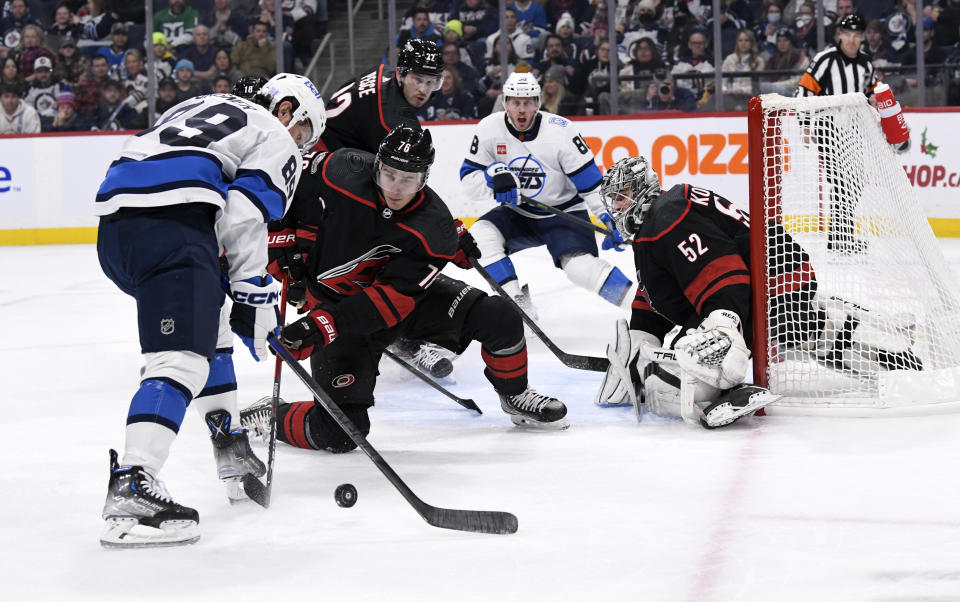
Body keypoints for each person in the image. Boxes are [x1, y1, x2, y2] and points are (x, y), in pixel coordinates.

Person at [94, 73, 326, 548]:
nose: (299, 147)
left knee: (209, 327)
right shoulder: (276, 135)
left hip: (118, 226)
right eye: (304, 134)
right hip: (172, 223)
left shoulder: (197, 104)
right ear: (289, 112)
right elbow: (244, 213)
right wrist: (254, 291)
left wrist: (235, 293)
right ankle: (133, 482)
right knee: (180, 359)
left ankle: (231, 447)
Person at [241, 125, 569, 448]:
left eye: (409, 180)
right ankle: (275, 415)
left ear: (424, 179)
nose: (396, 188)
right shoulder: (341, 168)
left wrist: (325, 326)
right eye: (389, 175)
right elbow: (285, 178)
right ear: (377, 166)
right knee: (340, 432)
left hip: (386, 308)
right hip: (335, 306)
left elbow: (391, 300)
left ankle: (515, 395)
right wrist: (278, 230)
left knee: (500, 316)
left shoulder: (434, 228)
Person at [593, 156, 796, 428]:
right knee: (665, 367)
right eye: (614, 199)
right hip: (767, 281)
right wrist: (636, 346)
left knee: (669, 376)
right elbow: (659, 294)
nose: (617, 207)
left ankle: (720, 381)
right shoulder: (657, 222)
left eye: (623, 196)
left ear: (644, 189)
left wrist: (725, 326)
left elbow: (722, 271)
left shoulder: (666, 217)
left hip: (776, 283)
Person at [460, 70, 635, 319]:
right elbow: (468, 182)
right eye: (515, 102)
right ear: (505, 102)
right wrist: (492, 178)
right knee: (478, 237)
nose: (521, 110)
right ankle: (518, 305)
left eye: (528, 102)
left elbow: (591, 183)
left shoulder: (561, 132)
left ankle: (641, 307)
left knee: (580, 269)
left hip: (563, 212)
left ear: (538, 103)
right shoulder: (489, 128)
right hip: (518, 213)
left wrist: (611, 217)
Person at [797, 13, 878, 255]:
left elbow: (872, 91)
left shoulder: (866, 63)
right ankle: (840, 239)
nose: (852, 40)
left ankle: (843, 236)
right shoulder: (826, 59)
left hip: (853, 129)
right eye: (848, 34)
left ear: (862, 37)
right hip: (827, 126)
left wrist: (876, 103)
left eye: (856, 35)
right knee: (840, 182)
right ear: (840, 35)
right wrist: (806, 124)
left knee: (853, 184)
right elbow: (805, 89)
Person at [320, 38, 443, 152]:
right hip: (323, 154)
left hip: (321, 133)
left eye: (430, 82)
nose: (423, 90)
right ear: (400, 74)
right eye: (418, 80)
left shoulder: (383, 70)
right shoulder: (394, 123)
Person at [23, 56, 71, 130]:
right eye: (40, 72)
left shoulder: (61, 85)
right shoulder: (29, 88)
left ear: (51, 71)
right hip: (37, 122)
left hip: (57, 121)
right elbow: (27, 108)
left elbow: (67, 105)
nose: (43, 74)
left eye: (46, 71)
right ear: (35, 73)